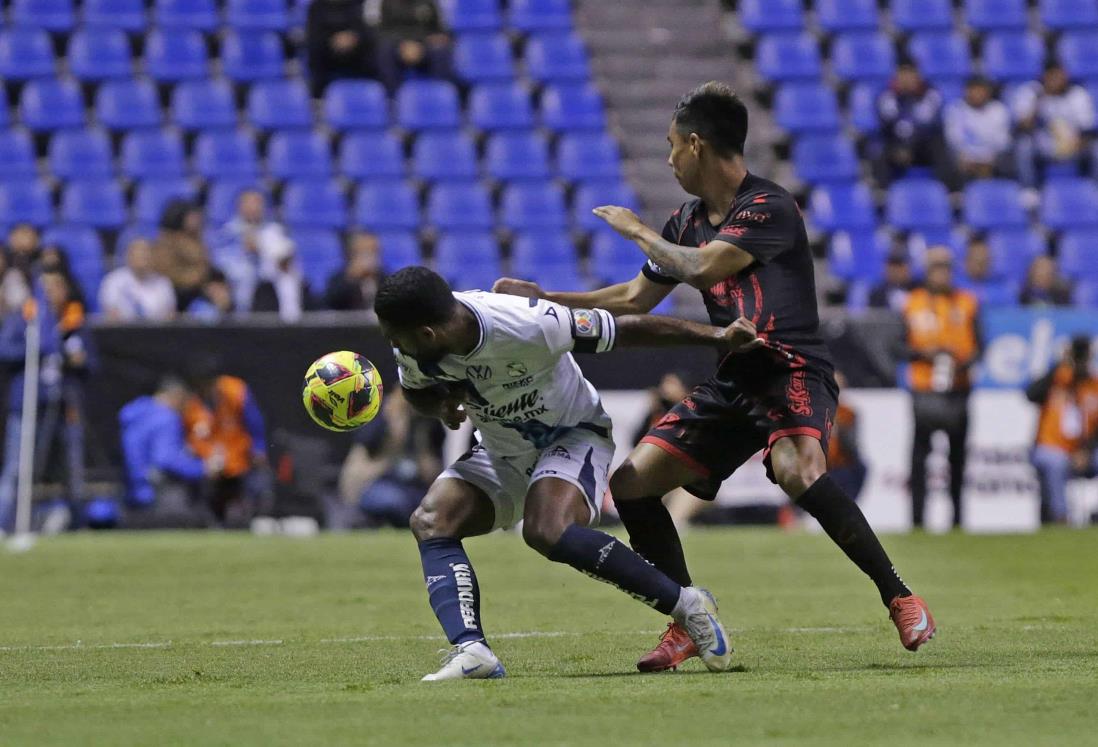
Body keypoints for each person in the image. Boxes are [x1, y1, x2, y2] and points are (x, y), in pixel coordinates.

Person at [494, 81, 936, 673]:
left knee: (796, 468)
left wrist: (635, 230)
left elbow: (703, 269)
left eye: (673, 146)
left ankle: (900, 596)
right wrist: (545, 298)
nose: (669, 158)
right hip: (734, 379)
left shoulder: (769, 207)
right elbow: (631, 298)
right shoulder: (685, 220)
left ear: (697, 145)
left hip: (791, 368)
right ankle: (685, 619)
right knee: (631, 485)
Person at [378, 265, 764, 680]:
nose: (394, 346)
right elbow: (417, 390)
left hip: (573, 435)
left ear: (428, 334)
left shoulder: (527, 322)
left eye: (396, 339)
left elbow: (627, 330)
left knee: (545, 530)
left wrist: (716, 336)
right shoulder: (417, 344)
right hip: (501, 450)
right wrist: (439, 405)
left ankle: (688, 607)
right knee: (431, 521)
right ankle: (473, 652)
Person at [902, 247, 981, 530]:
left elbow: (980, 346)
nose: (942, 273)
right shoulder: (912, 303)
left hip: (958, 390)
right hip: (924, 389)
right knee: (919, 457)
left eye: (946, 267)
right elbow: (898, 346)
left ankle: (958, 519)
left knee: (958, 457)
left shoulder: (968, 302)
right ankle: (917, 520)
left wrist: (961, 361)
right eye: (937, 267)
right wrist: (927, 354)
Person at [119, 377, 219, 528]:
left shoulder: (136, 413)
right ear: (177, 396)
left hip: (131, 497)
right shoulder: (166, 418)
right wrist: (202, 468)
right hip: (158, 497)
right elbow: (166, 459)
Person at [338, 388, 446, 527]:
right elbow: (353, 474)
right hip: (380, 485)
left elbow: (432, 475)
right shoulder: (377, 426)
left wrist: (421, 439)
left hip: (414, 488)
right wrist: (394, 440)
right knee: (393, 501)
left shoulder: (427, 426)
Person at [183, 363, 269, 526]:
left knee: (252, 494)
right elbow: (190, 436)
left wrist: (259, 448)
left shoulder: (235, 390)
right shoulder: (190, 403)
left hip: (240, 458)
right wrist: (203, 461)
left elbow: (254, 422)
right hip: (209, 466)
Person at [1026, 337, 1098, 524]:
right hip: (1052, 446)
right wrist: (1060, 365)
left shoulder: (1094, 384)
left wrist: (1086, 451)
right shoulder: (1057, 379)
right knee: (1055, 463)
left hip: (1084, 450)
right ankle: (1060, 518)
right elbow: (1030, 394)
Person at [1013, 62, 1096, 187]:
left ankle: (1095, 188)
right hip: (1043, 146)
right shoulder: (1031, 92)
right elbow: (1023, 126)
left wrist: (1078, 143)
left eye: (1059, 76)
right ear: (1043, 76)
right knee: (1024, 146)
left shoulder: (1078, 94)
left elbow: (1087, 128)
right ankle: (1029, 190)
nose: (1056, 80)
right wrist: (1039, 100)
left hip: (1074, 146)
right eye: (1051, 77)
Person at [874, 61, 953, 187]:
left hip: (922, 146)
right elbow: (887, 124)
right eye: (903, 75)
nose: (906, 79)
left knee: (939, 145)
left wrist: (909, 146)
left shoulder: (931, 94)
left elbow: (930, 125)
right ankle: (882, 192)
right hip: (896, 145)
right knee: (878, 149)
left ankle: (945, 190)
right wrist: (902, 147)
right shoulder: (886, 95)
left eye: (910, 75)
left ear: (918, 76)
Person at [213, 189, 292, 312]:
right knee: (244, 275)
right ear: (239, 206)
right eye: (249, 203)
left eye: (258, 203)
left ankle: (290, 324)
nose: (254, 208)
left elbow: (284, 259)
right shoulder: (228, 233)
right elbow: (219, 262)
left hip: (267, 285)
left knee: (287, 280)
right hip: (234, 281)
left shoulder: (273, 231)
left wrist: (260, 249)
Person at [944, 75, 1013, 181]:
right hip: (965, 161)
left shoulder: (999, 110)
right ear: (966, 91)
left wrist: (988, 160)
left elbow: (1002, 142)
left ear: (988, 92)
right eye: (973, 90)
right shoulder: (955, 110)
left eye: (981, 90)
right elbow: (954, 140)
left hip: (992, 161)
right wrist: (969, 159)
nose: (977, 94)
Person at [306, 0, 379, 98]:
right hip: (328, 51)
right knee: (315, 50)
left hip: (359, 50)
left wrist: (354, 37)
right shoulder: (316, 6)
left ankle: (381, 97)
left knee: (379, 49)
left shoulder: (363, 4)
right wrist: (333, 40)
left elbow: (371, 31)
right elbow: (313, 35)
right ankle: (318, 99)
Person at [373, 0, 451, 91]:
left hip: (424, 45)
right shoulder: (387, 2)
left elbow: (438, 29)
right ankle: (392, 96)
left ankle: (438, 94)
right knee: (384, 50)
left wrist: (421, 43)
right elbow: (383, 30)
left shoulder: (429, 2)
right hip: (398, 45)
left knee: (440, 50)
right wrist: (404, 44)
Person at [98, 238, 177, 321]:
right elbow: (110, 314)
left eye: (145, 254)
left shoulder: (163, 283)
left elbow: (170, 316)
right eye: (137, 254)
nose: (141, 258)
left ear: (151, 256)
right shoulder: (113, 281)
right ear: (128, 256)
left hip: (156, 331)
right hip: (122, 331)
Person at [152, 200, 211, 312]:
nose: (198, 220)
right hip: (174, 293)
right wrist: (195, 277)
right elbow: (167, 274)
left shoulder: (198, 240)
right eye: (192, 216)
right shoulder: (166, 241)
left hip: (196, 293)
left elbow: (205, 269)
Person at [249, 234, 314, 323]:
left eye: (288, 259)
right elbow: (260, 316)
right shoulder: (264, 288)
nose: (285, 263)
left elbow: (313, 312)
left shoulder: (304, 285)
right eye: (282, 260)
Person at [828, 371, 866, 501]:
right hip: (819, 463)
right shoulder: (816, 409)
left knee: (861, 467)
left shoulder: (847, 413)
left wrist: (841, 430)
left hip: (841, 462)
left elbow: (851, 444)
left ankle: (849, 506)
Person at [325, 231, 384, 312]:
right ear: (353, 255)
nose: (370, 258)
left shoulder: (384, 277)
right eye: (365, 253)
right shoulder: (339, 279)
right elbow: (332, 303)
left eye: (374, 253)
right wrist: (352, 278)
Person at [957, 237, 1015, 307]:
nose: (981, 265)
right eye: (976, 260)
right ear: (966, 261)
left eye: (984, 260)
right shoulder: (955, 286)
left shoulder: (1001, 286)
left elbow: (1010, 310)